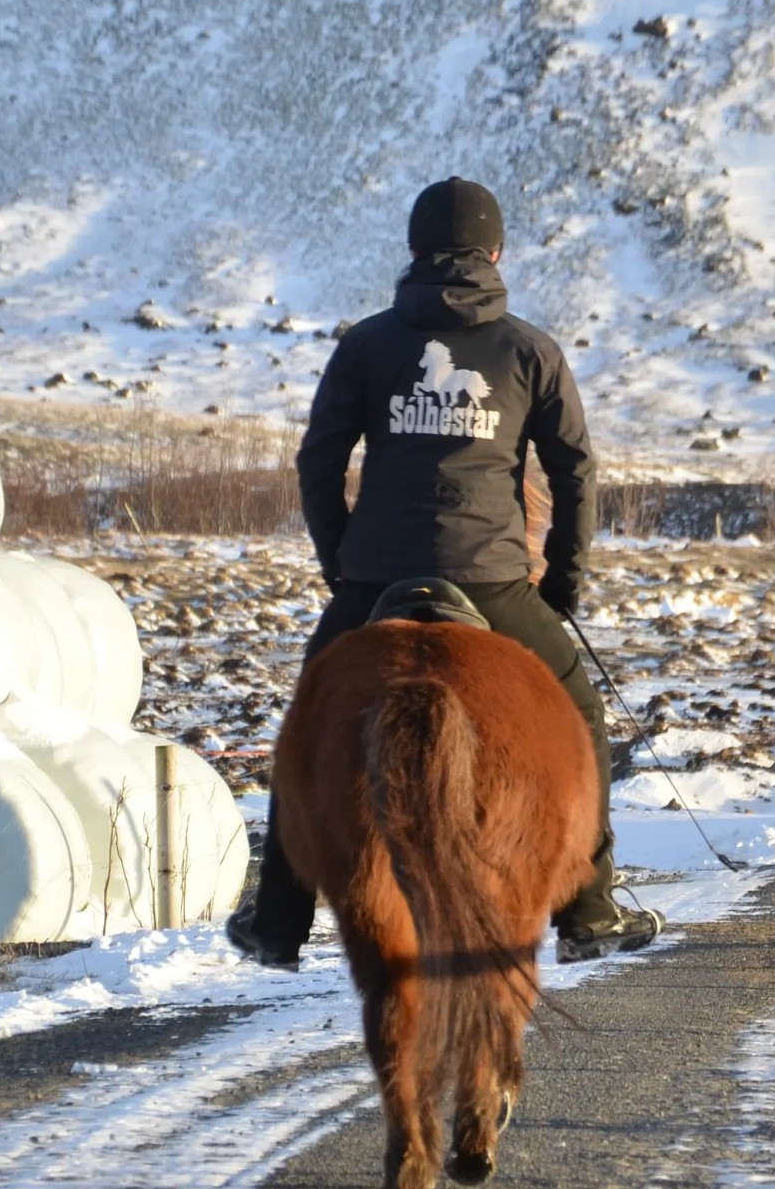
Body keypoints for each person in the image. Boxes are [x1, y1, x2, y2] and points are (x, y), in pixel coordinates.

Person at [226, 176, 664, 968]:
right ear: (495, 253)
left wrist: (344, 566)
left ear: (413, 249)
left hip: (374, 578)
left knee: (308, 722)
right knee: (580, 713)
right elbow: (575, 473)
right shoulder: (531, 351)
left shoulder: (366, 345)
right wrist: (560, 587)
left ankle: (278, 920)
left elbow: (319, 461)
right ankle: (590, 910)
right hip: (493, 580)